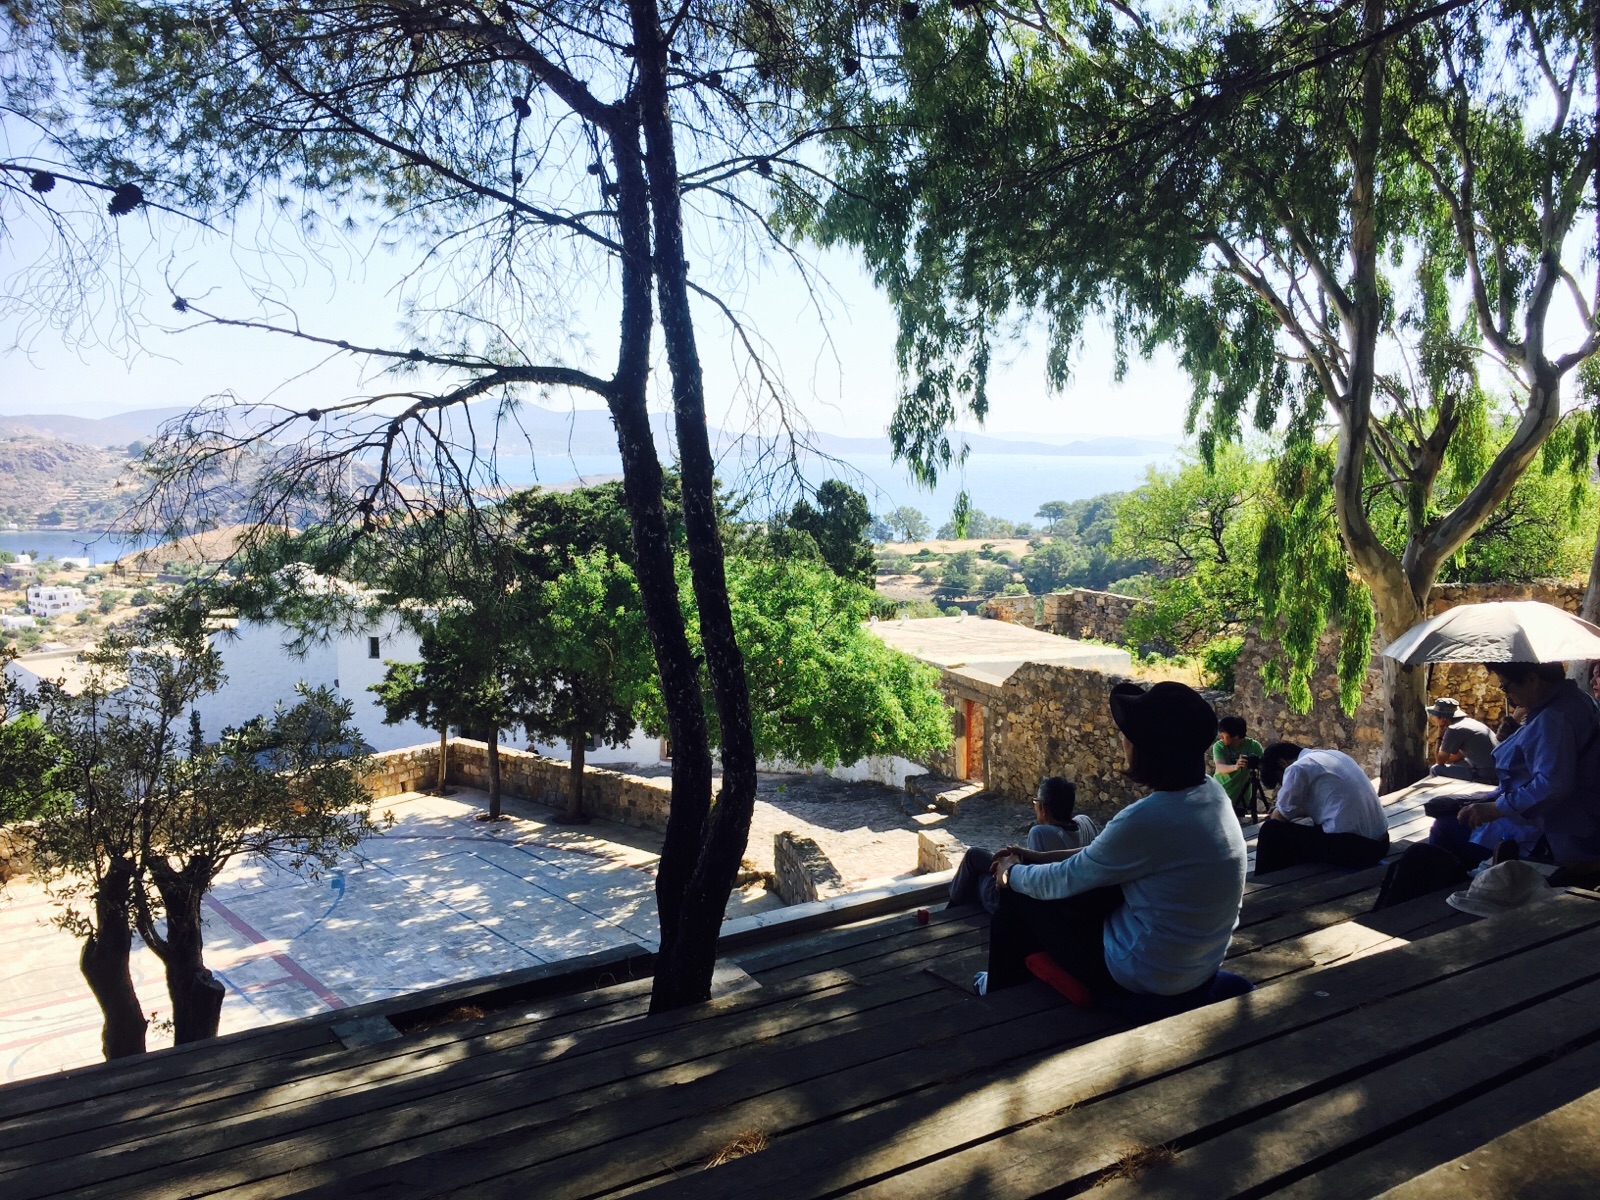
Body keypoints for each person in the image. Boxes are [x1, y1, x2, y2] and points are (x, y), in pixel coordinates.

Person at [978, 681, 1246, 1004]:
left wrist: (1010, 873)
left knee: (1019, 897)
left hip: (1143, 974)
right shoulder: (1212, 795)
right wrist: (1031, 856)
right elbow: (1102, 854)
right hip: (1199, 966)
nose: (1123, 741)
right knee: (1092, 889)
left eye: (1129, 735)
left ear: (1145, 751)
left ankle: (996, 990)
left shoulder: (1147, 819)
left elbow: (1065, 878)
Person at [1455, 661, 1600, 884]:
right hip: (1575, 818)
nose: (1507, 694)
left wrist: (1496, 808)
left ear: (1532, 679)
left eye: (1506, 686)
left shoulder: (1554, 717)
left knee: (1448, 831)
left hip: (1554, 830)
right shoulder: (1577, 699)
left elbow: (1552, 784)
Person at [947, 777, 1099, 914]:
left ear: (1044, 809)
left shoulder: (1041, 832)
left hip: (1023, 905)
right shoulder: (1085, 822)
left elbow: (1031, 882)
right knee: (976, 859)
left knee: (976, 873)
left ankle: (948, 912)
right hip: (1077, 896)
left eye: (1036, 803)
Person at [1253, 743, 1390, 876]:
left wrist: (1277, 812)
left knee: (1270, 830)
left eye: (1280, 780)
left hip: (1357, 850)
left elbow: (1279, 818)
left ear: (1282, 763)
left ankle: (1263, 881)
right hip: (1381, 844)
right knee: (1306, 828)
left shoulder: (1298, 768)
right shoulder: (1334, 755)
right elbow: (1326, 804)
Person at [1426, 697, 1498, 783]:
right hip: (1498, 770)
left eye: (1435, 716)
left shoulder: (1454, 729)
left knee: (1436, 769)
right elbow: (1455, 757)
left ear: (1443, 719)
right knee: (1456, 763)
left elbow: (1439, 761)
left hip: (1486, 774)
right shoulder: (1469, 723)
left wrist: (1439, 736)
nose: (1434, 719)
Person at [1210, 716, 1265, 817]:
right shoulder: (1219, 746)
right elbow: (1220, 767)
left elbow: (1264, 764)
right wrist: (1235, 767)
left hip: (1241, 797)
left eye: (1223, 735)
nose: (1220, 738)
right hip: (1220, 793)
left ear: (1235, 735)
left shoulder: (1254, 746)